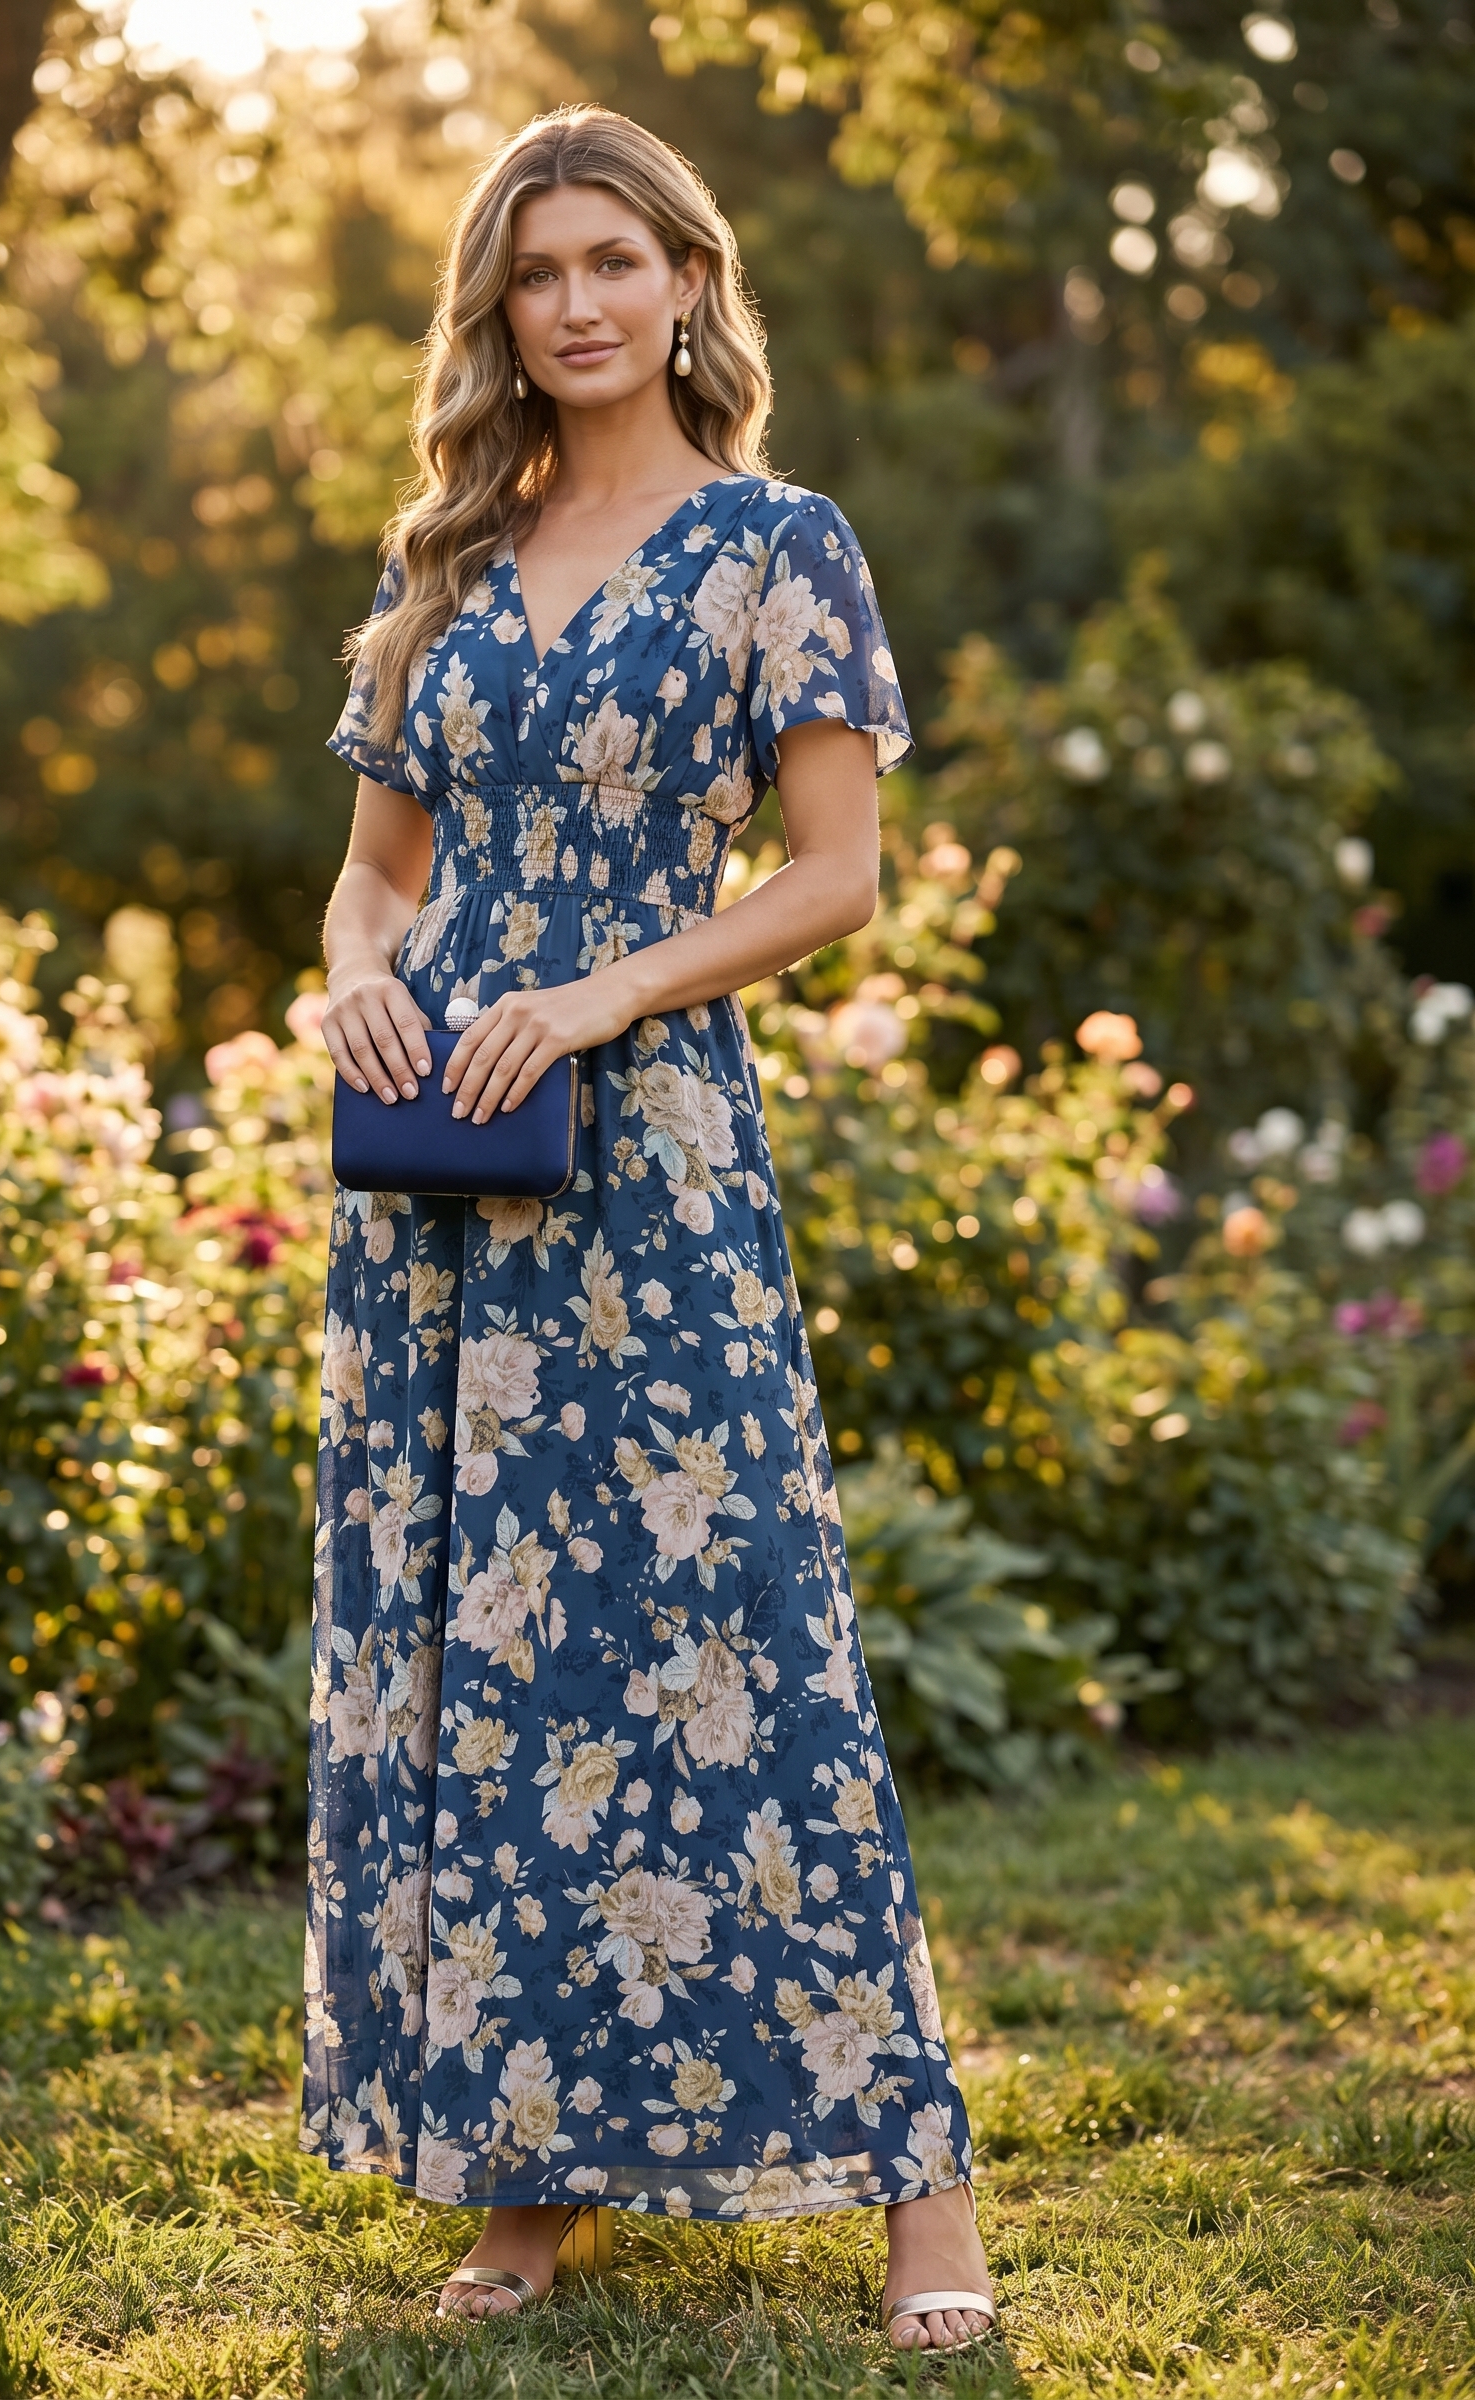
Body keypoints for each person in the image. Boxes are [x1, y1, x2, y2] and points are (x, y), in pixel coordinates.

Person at [301, 104, 996, 2354]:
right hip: (439, 1176)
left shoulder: (775, 546)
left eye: (614, 260)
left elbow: (832, 875)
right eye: (537, 272)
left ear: (688, 282)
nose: (578, 302)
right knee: (484, 1667)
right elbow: (380, 863)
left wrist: (597, 989)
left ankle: (922, 2200)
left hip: (648, 1162)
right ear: (497, 311)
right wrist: (357, 970)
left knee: (743, 1638)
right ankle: (527, 2180)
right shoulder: (445, 570)